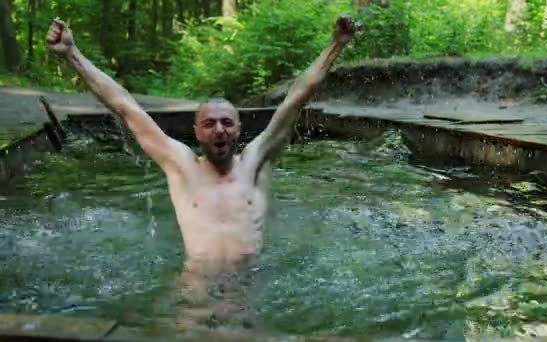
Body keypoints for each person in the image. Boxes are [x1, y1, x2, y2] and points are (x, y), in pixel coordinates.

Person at [46, 15, 360, 328]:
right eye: (209, 124)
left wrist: (335, 45)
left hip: (249, 288)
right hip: (194, 289)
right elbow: (124, 106)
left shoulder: (256, 162)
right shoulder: (181, 167)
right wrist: (72, 53)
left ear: (239, 129)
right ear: (196, 132)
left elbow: (298, 96)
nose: (219, 130)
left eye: (226, 122)